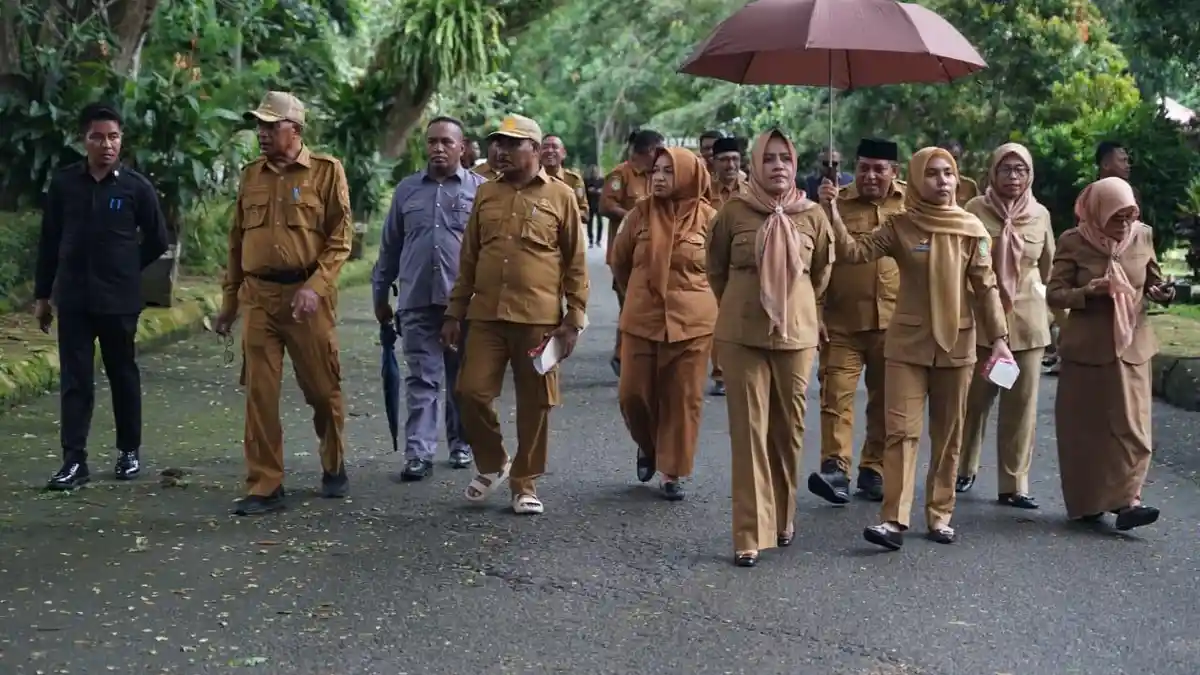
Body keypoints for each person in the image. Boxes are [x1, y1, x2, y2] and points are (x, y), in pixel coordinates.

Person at [819, 146, 1011, 550]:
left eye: (948, 174)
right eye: (933, 174)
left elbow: (986, 288)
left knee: (948, 435)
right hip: (906, 344)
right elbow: (854, 253)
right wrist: (832, 213)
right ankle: (893, 519)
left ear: (957, 179)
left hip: (957, 344)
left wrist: (999, 341)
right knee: (901, 433)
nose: (942, 181)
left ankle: (940, 514)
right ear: (916, 179)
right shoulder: (901, 226)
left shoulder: (972, 230)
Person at [213, 91, 353, 516]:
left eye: (271, 126)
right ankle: (265, 484)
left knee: (321, 389)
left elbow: (340, 239)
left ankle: (334, 463)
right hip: (258, 297)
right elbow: (237, 240)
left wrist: (316, 285)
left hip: (306, 299)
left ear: (295, 129)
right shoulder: (250, 174)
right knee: (260, 393)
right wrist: (229, 302)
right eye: (259, 125)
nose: (262, 133)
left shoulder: (326, 172)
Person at [443, 114, 589, 516]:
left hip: (538, 319)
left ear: (537, 151)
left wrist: (573, 318)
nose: (500, 152)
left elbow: (576, 262)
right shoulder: (487, 194)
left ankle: (524, 483)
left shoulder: (561, 197)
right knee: (469, 392)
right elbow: (469, 257)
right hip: (486, 314)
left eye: (510, 144)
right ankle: (493, 463)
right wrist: (454, 311)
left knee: (536, 403)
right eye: (497, 144)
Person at [708, 130, 834, 567]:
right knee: (748, 434)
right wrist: (744, 303)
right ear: (755, 165)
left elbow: (820, 275)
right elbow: (716, 270)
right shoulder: (733, 212)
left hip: (796, 335)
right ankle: (749, 532)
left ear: (795, 165)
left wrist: (793, 307)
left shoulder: (814, 215)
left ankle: (783, 515)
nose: (777, 166)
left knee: (788, 432)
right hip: (742, 334)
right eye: (769, 159)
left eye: (785, 158)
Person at [34, 102, 169, 490]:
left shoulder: (135, 188)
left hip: (118, 302)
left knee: (122, 375)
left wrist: (127, 267)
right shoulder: (64, 185)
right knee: (75, 381)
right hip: (74, 300)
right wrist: (43, 296)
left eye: (113, 137)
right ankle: (74, 461)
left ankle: (129, 451)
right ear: (84, 140)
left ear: (121, 140)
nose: (107, 144)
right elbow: (49, 242)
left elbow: (157, 240)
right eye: (98, 137)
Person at [1046, 177, 1170, 530]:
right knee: (1086, 428)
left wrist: (1161, 292)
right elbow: (1055, 294)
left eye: (1130, 215)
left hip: (1133, 345)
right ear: (1098, 212)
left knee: (1134, 426)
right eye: (1117, 217)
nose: (1125, 224)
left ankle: (1129, 501)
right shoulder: (1073, 241)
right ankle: (1088, 502)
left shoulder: (1142, 236)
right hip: (1088, 348)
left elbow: (1152, 281)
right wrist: (1088, 291)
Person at [372, 116, 484, 481]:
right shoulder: (407, 191)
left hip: (465, 304)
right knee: (422, 378)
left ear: (462, 147)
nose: (438, 148)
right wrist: (380, 294)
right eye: (432, 141)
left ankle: (462, 444)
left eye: (446, 142)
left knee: (461, 380)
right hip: (417, 300)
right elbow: (390, 246)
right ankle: (418, 453)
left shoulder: (480, 191)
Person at [610, 147, 717, 501]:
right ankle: (648, 445)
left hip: (693, 325)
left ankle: (671, 471)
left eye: (669, 172)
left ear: (688, 175)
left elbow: (723, 272)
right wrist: (640, 293)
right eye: (656, 170)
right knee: (632, 396)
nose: (658, 177)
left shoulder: (711, 220)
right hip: (642, 319)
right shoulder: (639, 215)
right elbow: (620, 262)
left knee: (682, 400)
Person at [807, 138, 905, 505]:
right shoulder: (833, 202)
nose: (871, 176)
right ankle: (835, 468)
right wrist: (814, 313)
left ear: (894, 172)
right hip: (841, 321)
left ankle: (874, 469)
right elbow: (817, 261)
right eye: (864, 167)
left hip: (895, 323)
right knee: (835, 396)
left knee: (886, 400)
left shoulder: (910, 204)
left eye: (880, 169)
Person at [956, 143, 1055, 506]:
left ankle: (1014, 485)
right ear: (992, 173)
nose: (1013, 177)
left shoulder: (1040, 215)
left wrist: (1055, 317)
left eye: (1021, 170)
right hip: (982, 322)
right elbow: (960, 264)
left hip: (1028, 325)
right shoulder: (973, 211)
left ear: (1030, 176)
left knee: (1021, 406)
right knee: (974, 402)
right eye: (1006, 170)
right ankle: (963, 469)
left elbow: (1050, 269)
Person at [601, 129, 665, 376]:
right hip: (625, 254)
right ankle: (622, 356)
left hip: (652, 251)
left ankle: (631, 356)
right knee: (631, 304)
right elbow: (606, 205)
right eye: (659, 150)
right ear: (648, 151)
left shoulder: (656, 175)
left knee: (644, 304)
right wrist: (633, 217)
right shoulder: (621, 174)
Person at [705, 136, 749, 397]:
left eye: (734, 159)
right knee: (716, 318)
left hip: (743, 261)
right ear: (714, 162)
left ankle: (744, 369)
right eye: (723, 160)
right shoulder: (704, 189)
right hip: (711, 262)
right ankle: (720, 372)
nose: (730, 164)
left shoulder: (753, 188)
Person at [540, 135, 589, 226]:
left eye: (555, 147)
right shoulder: (529, 178)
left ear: (563, 154)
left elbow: (585, 214)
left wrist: (560, 213)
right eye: (545, 147)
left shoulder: (573, 180)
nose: (550, 151)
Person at [939, 140, 979, 204]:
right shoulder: (930, 185)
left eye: (955, 158)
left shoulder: (969, 186)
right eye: (947, 158)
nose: (952, 162)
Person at [584, 164, 605, 248]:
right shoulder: (587, 181)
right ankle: (591, 240)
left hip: (599, 205)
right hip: (590, 205)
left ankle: (598, 240)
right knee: (590, 223)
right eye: (593, 172)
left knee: (600, 223)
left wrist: (598, 191)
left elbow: (604, 191)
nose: (595, 173)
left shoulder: (602, 181)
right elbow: (585, 192)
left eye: (596, 171)